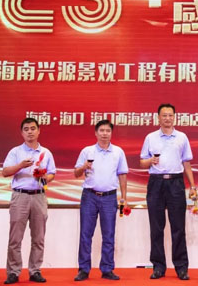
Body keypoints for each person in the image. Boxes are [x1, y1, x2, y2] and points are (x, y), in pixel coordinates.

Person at [139, 103, 198, 280]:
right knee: (156, 227)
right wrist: (150, 161)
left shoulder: (182, 137)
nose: (167, 118)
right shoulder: (150, 137)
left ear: (174, 117)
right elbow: (142, 162)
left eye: (170, 115)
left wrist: (192, 186)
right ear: (158, 118)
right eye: (164, 115)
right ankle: (158, 266)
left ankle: (181, 267)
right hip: (156, 183)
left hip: (176, 183)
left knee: (178, 227)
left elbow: (186, 163)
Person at [2, 117, 56, 285]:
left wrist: (45, 177)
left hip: (39, 196)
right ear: (22, 133)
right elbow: (5, 172)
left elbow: (52, 174)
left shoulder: (46, 153)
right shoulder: (15, 152)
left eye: (33, 128)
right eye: (26, 129)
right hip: (20, 196)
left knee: (38, 238)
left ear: (39, 131)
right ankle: (13, 272)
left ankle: (35, 271)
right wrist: (20, 166)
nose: (30, 132)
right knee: (15, 238)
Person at [74, 119, 128, 282]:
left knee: (109, 234)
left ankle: (107, 269)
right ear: (96, 133)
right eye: (102, 131)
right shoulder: (87, 151)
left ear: (111, 133)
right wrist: (83, 167)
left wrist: (124, 198)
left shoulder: (118, 152)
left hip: (109, 197)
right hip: (89, 196)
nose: (105, 134)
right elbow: (76, 173)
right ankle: (83, 269)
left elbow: (122, 175)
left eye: (108, 131)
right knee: (85, 234)